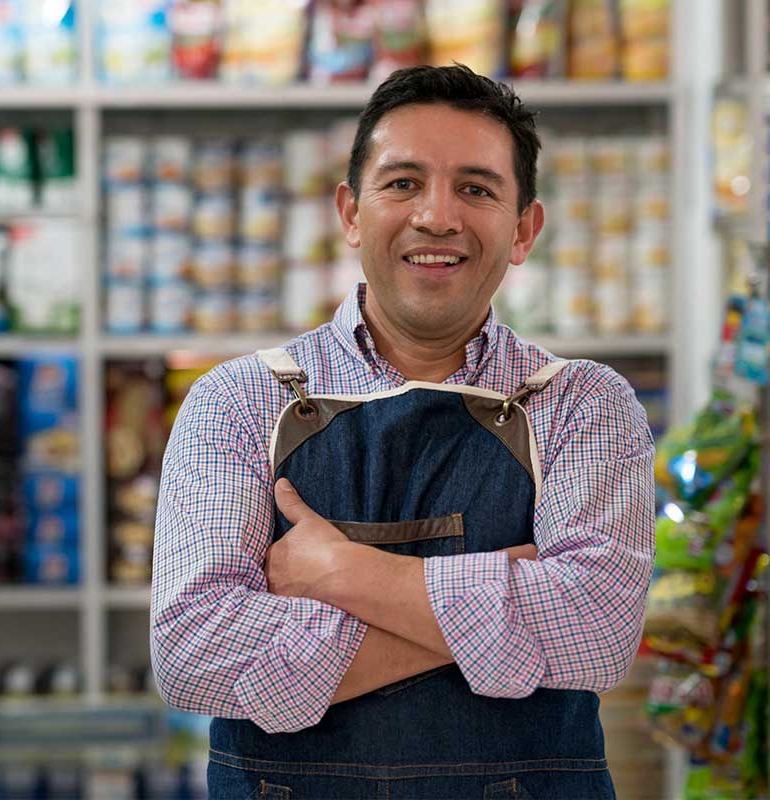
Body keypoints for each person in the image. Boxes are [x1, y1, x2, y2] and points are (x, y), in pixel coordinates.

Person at [151, 64, 656, 800]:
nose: (437, 217)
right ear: (351, 213)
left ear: (523, 230)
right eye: (403, 183)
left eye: (476, 189)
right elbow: (192, 653)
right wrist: (503, 614)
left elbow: (600, 635)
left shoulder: (583, 403)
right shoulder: (237, 401)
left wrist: (343, 574)